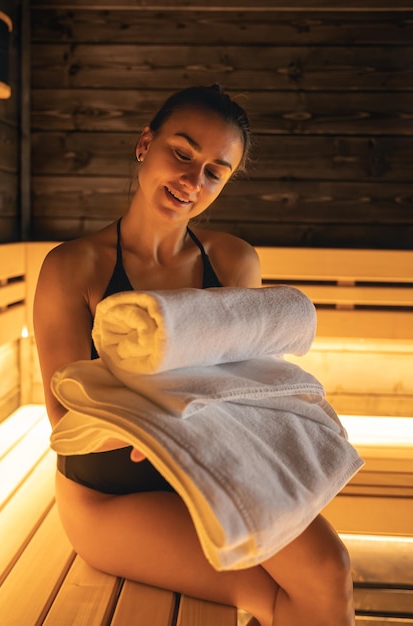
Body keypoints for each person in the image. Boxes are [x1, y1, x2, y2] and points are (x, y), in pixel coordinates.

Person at [34, 84, 355, 626]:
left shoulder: (232, 261)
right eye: (182, 153)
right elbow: (65, 417)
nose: (192, 180)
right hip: (111, 494)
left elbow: (243, 386)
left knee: (331, 570)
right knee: (268, 591)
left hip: (220, 471)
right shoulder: (74, 267)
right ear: (145, 143)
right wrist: (149, 429)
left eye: (214, 170)